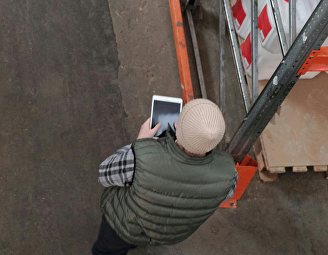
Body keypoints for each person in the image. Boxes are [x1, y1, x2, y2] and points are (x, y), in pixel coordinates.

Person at [92, 99, 238, 255]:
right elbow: (226, 195)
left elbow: (105, 175)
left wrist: (137, 144)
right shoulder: (229, 173)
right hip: (169, 234)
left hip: (124, 226)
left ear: (177, 127)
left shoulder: (140, 158)